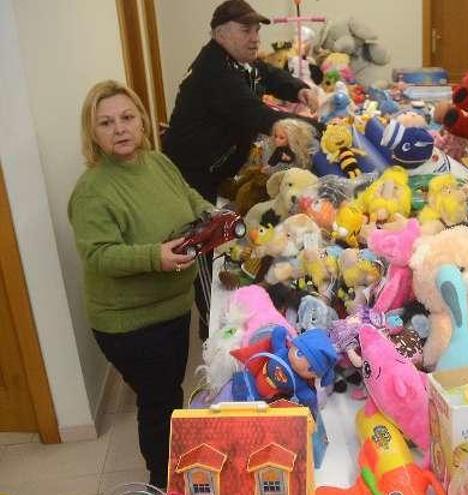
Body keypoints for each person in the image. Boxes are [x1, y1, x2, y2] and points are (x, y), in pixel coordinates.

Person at [68, 80, 214, 488]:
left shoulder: (157, 162)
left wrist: (209, 215)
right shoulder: (93, 190)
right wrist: (156, 256)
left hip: (171, 306)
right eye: (106, 122)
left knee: (167, 392)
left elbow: (188, 196)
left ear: (142, 120)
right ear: (92, 133)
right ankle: (162, 480)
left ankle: (172, 467)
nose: (120, 129)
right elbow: (98, 254)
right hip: (129, 323)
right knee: (160, 400)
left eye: (127, 117)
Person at [162, 0, 320, 203]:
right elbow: (253, 111)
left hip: (217, 167)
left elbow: (268, 74)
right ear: (220, 35)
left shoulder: (238, 59)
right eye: (246, 31)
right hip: (192, 175)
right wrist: (317, 128)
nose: (255, 39)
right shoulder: (214, 70)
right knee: (207, 229)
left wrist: (300, 90)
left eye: (257, 31)